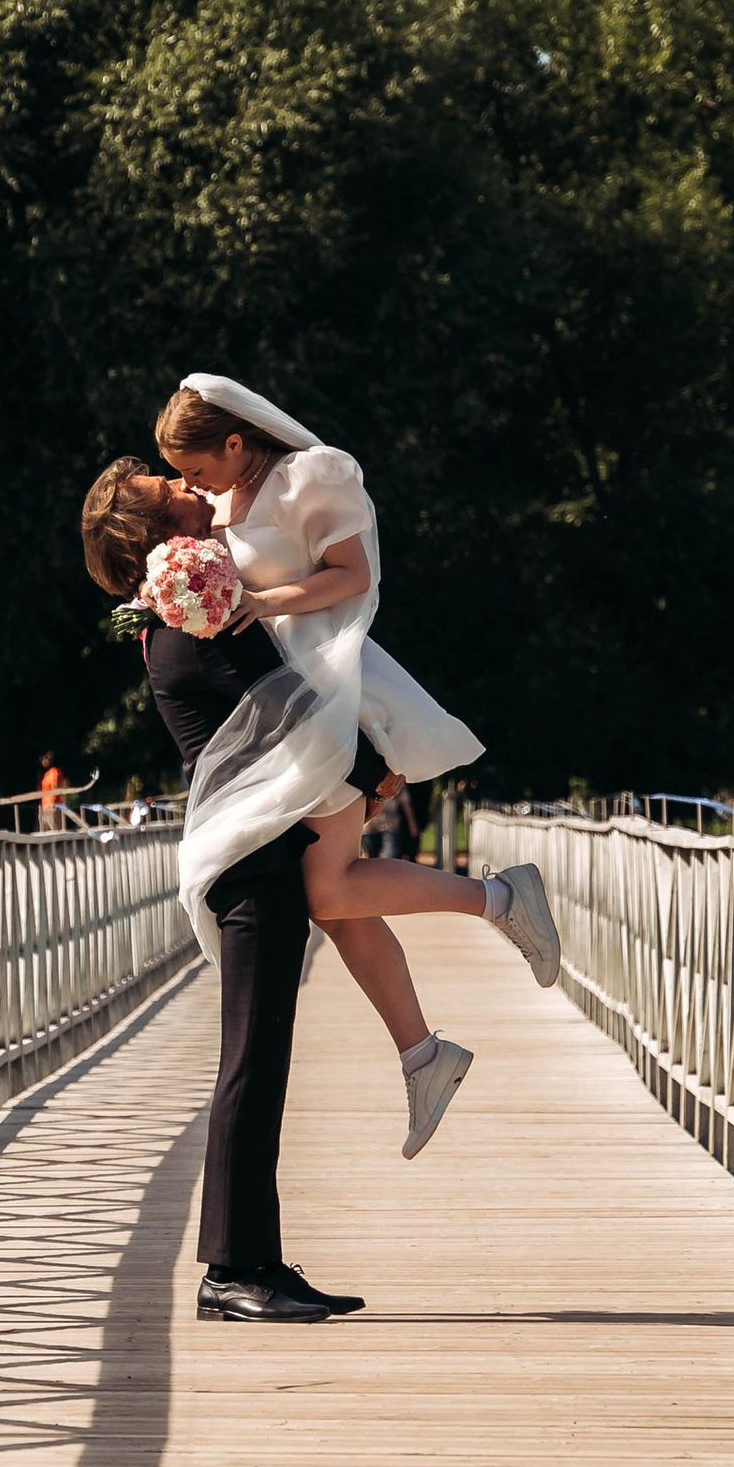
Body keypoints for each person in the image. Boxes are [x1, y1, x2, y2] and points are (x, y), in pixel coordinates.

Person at [152, 372, 560, 1126]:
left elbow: (354, 577)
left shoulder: (310, 476)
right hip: (288, 711)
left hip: (336, 698)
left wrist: (263, 601)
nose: (189, 484)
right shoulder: (218, 503)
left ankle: (501, 899)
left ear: (237, 442)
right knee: (333, 903)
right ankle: (422, 1055)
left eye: (197, 468)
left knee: (329, 891)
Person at [82, 461, 365, 1324]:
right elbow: (282, 708)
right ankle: (232, 1273)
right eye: (154, 481)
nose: (178, 479)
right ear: (149, 525)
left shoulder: (177, 621)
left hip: (250, 856)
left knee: (261, 1059)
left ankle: (257, 1261)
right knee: (251, 1062)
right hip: (250, 865)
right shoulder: (200, 620)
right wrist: (377, 769)